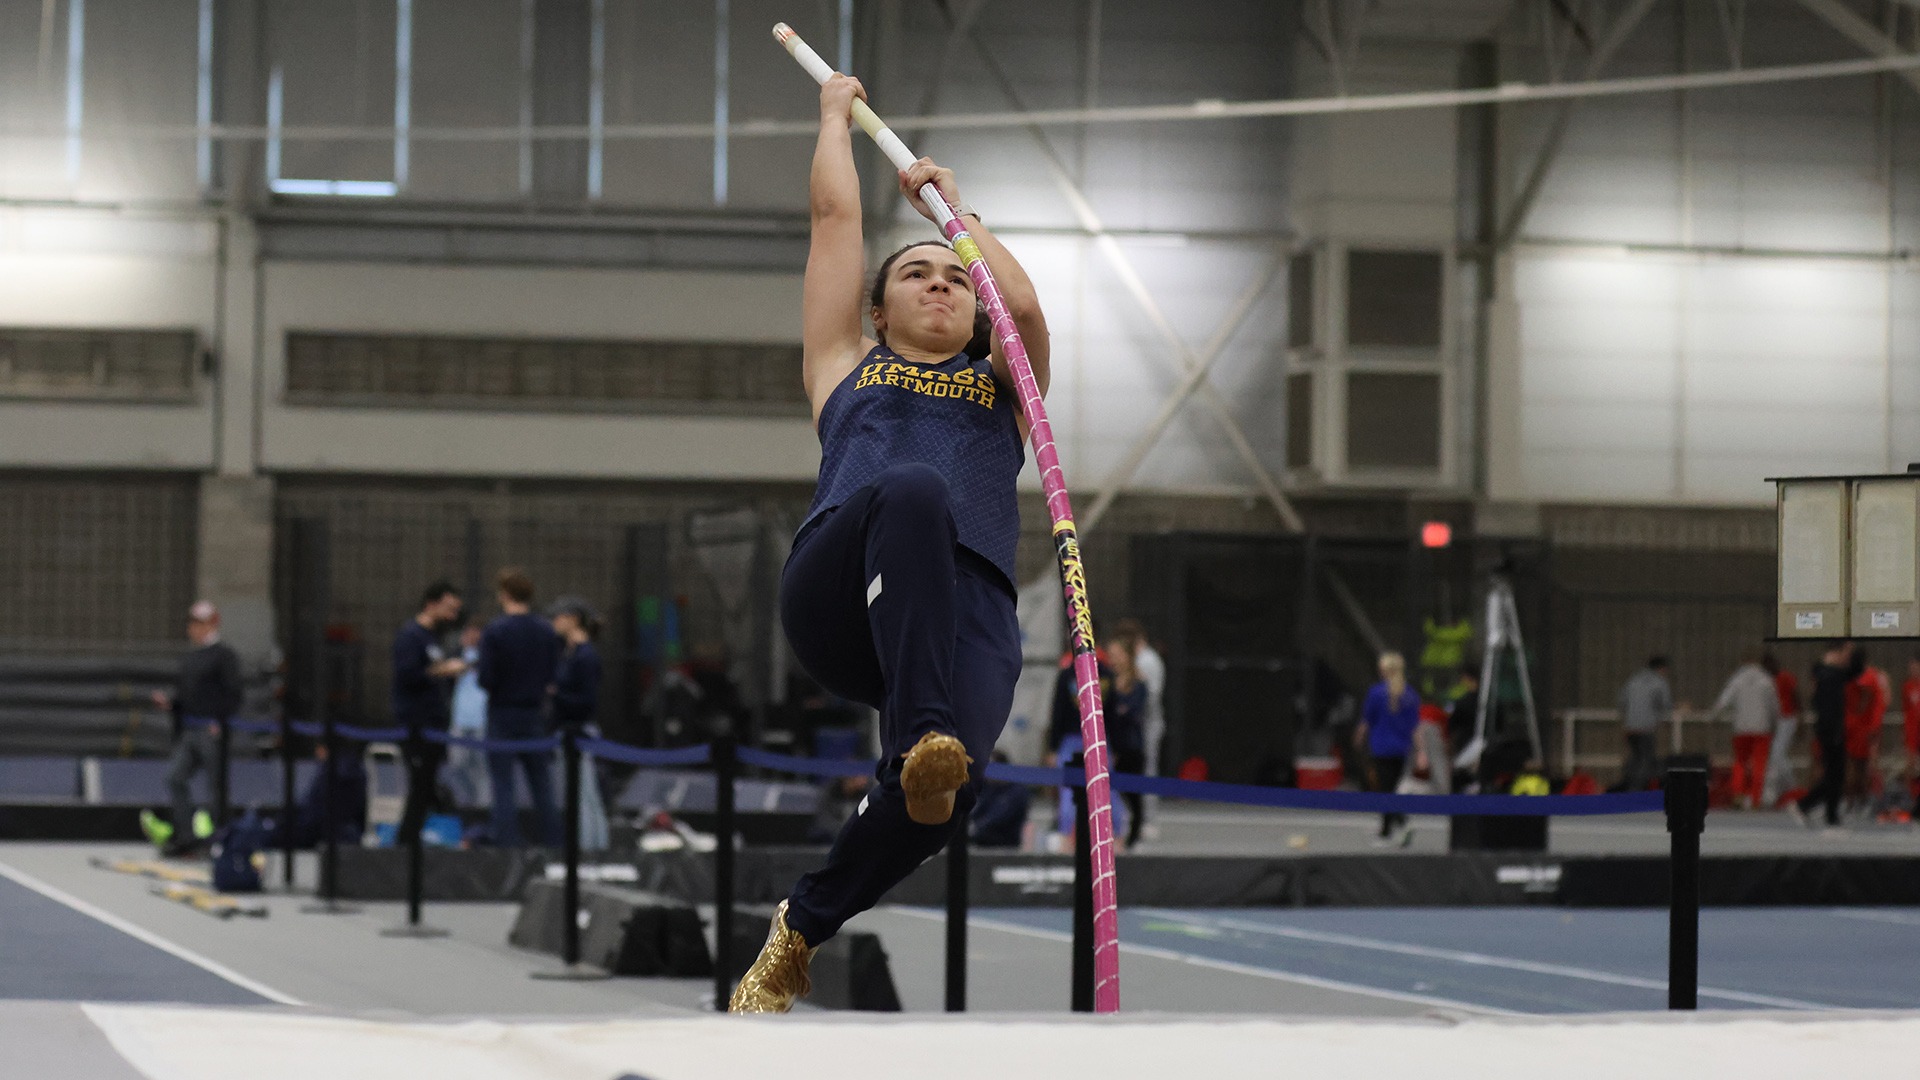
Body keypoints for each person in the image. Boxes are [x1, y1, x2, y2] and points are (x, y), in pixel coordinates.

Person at [731, 71, 1049, 1014]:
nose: (942, 286)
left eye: (956, 278)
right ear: (878, 310)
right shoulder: (844, 366)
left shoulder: (1008, 389)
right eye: (918, 272)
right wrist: (834, 118)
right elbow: (836, 226)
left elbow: (1022, 310)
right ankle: (920, 733)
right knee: (912, 489)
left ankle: (801, 925)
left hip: (969, 604)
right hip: (843, 582)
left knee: (941, 799)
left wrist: (957, 216)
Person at [149, 601, 243, 858]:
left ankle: (219, 839)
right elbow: (187, 695)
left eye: (200, 623)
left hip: (211, 730)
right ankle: (186, 836)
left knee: (217, 787)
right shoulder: (191, 658)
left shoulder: (224, 656)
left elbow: (233, 694)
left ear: (212, 624)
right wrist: (171, 705)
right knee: (174, 777)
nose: (194, 629)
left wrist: (219, 721)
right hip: (190, 730)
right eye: (193, 624)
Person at [477, 567, 562, 847]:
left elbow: (486, 678)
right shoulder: (545, 631)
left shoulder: (495, 631)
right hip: (535, 713)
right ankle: (552, 843)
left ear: (504, 595)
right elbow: (553, 673)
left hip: (503, 712)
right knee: (542, 783)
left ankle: (507, 844)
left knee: (502, 783)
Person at [392, 582, 468, 850]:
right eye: (449, 608)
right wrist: (442, 670)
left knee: (427, 785)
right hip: (416, 723)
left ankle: (414, 838)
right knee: (420, 785)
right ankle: (406, 842)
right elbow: (408, 674)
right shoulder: (411, 636)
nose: (453, 615)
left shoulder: (436, 638)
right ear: (431, 604)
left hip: (435, 723)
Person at [547, 596, 608, 852]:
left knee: (585, 796)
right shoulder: (569, 654)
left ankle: (591, 848)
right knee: (579, 795)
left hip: (579, 731)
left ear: (572, 619)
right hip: (567, 731)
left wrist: (555, 693)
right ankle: (590, 845)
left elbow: (587, 701)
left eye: (558, 618)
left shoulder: (585, 656)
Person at [1793, 642, 1866, 829]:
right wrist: (1832, 731)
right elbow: (1826, 708)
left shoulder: (1829, 674)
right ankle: (1807, 805)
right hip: (1830, 729)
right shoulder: (1828, 676)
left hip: (1831, 728)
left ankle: (1829, 813)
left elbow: (1856, 671)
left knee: (1836, 774)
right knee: (1834, 775)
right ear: (1837, 654)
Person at [1356, 652, 1420, 846]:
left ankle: (1393, 826)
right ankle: (1392, 825)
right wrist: (1420, 750)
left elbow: (1367, 720)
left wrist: (1359, 737)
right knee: (1392, 788)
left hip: (1382, 747)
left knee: (1385, 789)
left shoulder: (1376, 693)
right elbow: (1415, 726)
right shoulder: (1410, 695)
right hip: (1401, 748)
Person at [1112, 617, 1166, 833]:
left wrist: (1131, 705)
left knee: (1147, 769)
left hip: (1147, 723)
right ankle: (1135, 816)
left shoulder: (1148, 661)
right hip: (1137, 725)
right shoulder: (1139, 660)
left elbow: (1151, 694)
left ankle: (1147, 818)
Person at [1708, 650, 1779, 810]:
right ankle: (1755, 799)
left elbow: (1723, 701)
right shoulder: (1766, 680)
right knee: (1759, 764)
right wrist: (1774, 723)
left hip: (1741, 728)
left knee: (1740, 762)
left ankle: (1738, 794)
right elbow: (1774, 706)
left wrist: (1713, 716)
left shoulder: (1737, 680)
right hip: (1762, 729)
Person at [1105, 640, 1149, 849]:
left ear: (1127, 656)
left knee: (1133, 794)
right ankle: (1114, 833)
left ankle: (1134, 835)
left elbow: (1132, 712)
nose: (1113, 659)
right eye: (1110, 655)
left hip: (1131, 746)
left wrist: (1121, 708)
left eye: (1117, 654)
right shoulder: (1109, 680)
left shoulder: (1138, 682)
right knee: (1113, 792)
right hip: (1113, 744)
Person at [444, 625, 491, 808]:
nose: (472, 637)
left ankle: (483, 806)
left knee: (483, 768)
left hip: (482, 720)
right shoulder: (454, 655)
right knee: (457, 764)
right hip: (459, 719)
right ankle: (469, 800)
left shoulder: (488, 657)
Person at [1842, 651, 1889, 816]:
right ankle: (1859, 801)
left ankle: (1853, 802)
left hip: (1854, 726)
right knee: (1862, 766)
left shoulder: (1851, 677)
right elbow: (1875, 701)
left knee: (1855, 765)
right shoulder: (1871, 677)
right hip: (1863, 726)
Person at [1618, 656, 1672, 791]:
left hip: (1630, 727)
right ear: (1662, 668)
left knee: (1635, 757)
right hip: (1646, 727)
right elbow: (1665, 704)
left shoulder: (1633, 679)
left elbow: (1622, 701)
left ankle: (1628, 783)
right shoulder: (1659, 682)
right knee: (1646, 760)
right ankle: (1636, 789)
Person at [1760, 650, 1801, 809]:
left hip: (1788, 718)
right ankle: (1788, 787)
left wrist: (1800, 719)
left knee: (1777, 753)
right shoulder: (1767, 680)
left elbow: (1796, 697)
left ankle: (1790, 787)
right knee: (1777, 755)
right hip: (1776, 721)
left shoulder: (1785, 677)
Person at [970, 750, 1031, 849]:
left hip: (1005, 847)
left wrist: (975, 828)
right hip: (981, 845)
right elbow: (975, 809)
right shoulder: (987, 788)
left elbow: (998, 818)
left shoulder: (1016, 792)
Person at [1903, 655, 1920, 810]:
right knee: (1913, 768)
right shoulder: (1908, 687)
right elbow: (1908, 713)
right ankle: (1914, 801)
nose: (1912, 670)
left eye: (1915, 666)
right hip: (1913, 734)